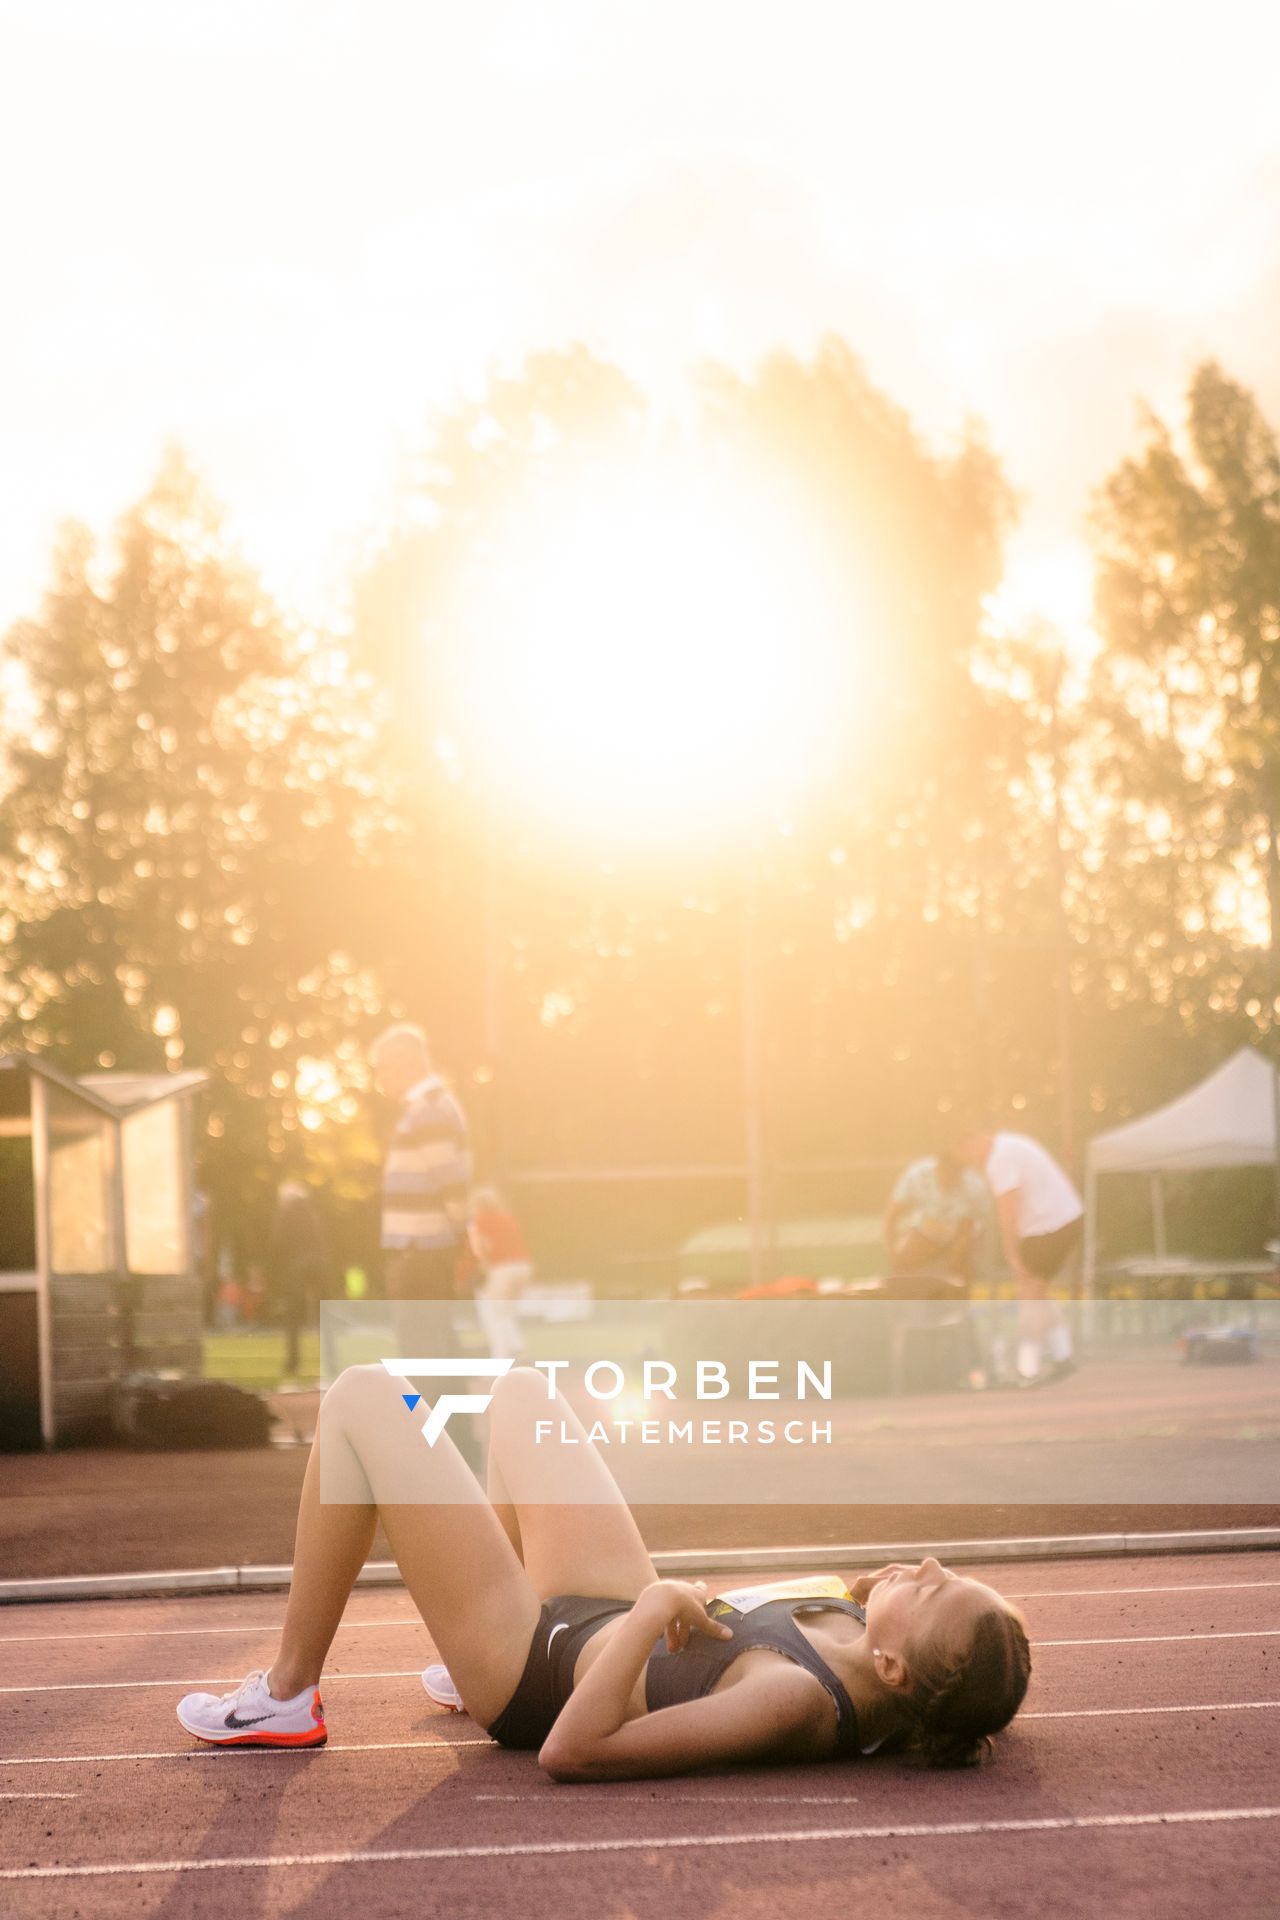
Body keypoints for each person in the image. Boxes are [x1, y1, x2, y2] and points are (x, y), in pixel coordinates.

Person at [175, 1362, 1031, 1775]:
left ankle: (287, 1695)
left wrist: (657, 1602)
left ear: (892, 1666)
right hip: (606, 1614)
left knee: (365, 1395)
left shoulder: (792, 1701)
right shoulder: (870, 1651)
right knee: (525, 1396)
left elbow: (575, 1752)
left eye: (939, 1588)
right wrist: (874, 1593)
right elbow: (967, 1685)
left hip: (535, 1673)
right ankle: (471, 1614)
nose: (930, 1562)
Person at [949, 1121, 1084, 1385]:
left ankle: (1026, 1369)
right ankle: (1062, 1357)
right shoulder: (1010, 1143)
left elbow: (1007, 1215)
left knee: (1029, 1292)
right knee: (1037, 1289)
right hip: (1064, 1219)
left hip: (1051, 1226)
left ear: (974, 1141)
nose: (970, 1163)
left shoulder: (999, 1160)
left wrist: (1013, 1257)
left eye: (966, 1156)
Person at [370, 1024, 471, 1301]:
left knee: (421, 1341)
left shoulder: (428, 1109)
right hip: (421, 1249)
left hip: (422, 1250)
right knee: (428, 1340)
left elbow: (451, 1182)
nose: (378, 1078)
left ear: (407, 1065)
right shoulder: (425, 1106)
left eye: (383, 1068)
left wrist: (458, 1234)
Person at [883, 1150, 988, 1282]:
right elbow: (892, 1216)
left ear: (961, 1174)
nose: (947, 1183)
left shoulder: (974, 1187)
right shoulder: (917, 1175)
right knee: (901, 1263)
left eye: (953, 1178)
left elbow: (966, 1230)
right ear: (937, 1168)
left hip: (962, 1235)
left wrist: (953, 1261)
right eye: (944, 1176)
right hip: (927, 1229)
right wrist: (893, 1252)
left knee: (961, 1274)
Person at [267, 1178, 329, 1380]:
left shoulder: (286, 1214)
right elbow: (322, 1241)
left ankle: (293, 1362)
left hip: (296, 1267)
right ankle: (332, 1360)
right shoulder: (312, 1214)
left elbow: (277, 1244)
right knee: (323, 1317)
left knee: (293, 1316)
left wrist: (272, 1272)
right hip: (319, 1265)